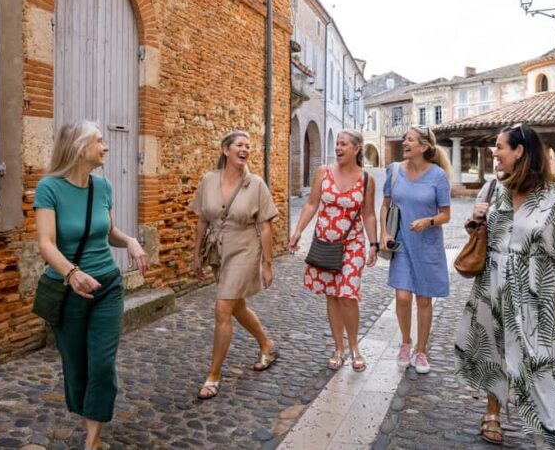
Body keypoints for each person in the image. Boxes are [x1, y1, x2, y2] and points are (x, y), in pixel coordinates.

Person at [455, 123, 555, 448]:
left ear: (520, 152)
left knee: (544, 359)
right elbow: (485, 238)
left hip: (536, 296)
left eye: (500, 147)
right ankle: (492, 412)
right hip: (492, 287)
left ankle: (553, 428)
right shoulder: (495, 189)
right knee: (493, 350)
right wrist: (477, 218)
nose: (494, 153)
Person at [34, 121, 148, 450]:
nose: (106, 146)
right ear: (80, 148)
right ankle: (89, 422)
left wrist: (130, 242)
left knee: (101, 363)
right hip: (68, 291)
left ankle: (92, 442)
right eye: (100, 140)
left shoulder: (103, 187)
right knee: (76, 364)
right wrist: (71, 274)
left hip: (107, 286)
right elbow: (46, 243)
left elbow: (109, 232)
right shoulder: (49, 188)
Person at [191, 131, 279, 400]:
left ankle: (213, 375)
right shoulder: (208, 180)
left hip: (245, 249)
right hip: (219, 250)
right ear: (225, 150)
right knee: (237, 306)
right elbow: (202, 221)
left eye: (248, 146)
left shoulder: (256, 185)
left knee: (223, 308)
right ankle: (267, 344)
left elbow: (265, 226)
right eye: (239, 145)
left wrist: (267, 263)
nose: (245, 149)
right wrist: (196, 255)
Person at [289, 129, 377, 371]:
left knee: (347, 295)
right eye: (337, 144)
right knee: (332, 295)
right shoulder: (323, 172)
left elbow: (368, 214)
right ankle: (338, 348)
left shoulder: (366, 179)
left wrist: (373, 243)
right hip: (325, 243)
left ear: (356, 149)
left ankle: (354, 347)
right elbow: (311, 203)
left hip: (352, 243)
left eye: (344, 144)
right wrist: (297, 231)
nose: (338, 148)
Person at [380, 126, 452, 375]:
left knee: (423, 299)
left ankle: (421, 350)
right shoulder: (394, 171)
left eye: (410, 139)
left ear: (424, 147)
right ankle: (405, 342)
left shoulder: (438, 176)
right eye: (404, 139)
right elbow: (385, 206)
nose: (405, 142)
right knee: (402, 296)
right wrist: (385, 233)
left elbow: (446, 215)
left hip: (428, 245)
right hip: (402, 244)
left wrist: (428, 221)